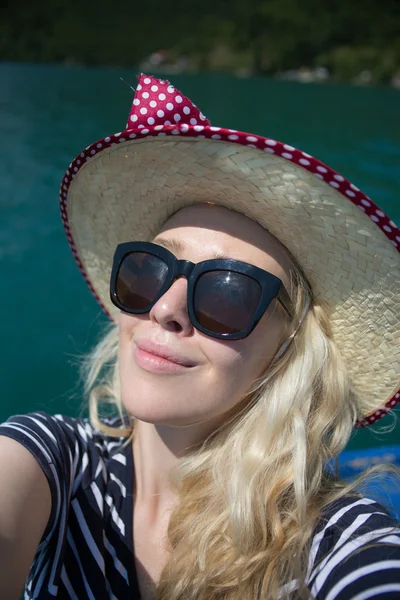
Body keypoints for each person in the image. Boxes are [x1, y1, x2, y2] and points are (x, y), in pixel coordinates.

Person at [0, 74, 399, 600]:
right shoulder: (50, 462)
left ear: (291, 348)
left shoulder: (334, 541)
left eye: (227, 293)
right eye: (148, 269)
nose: (165, 308)